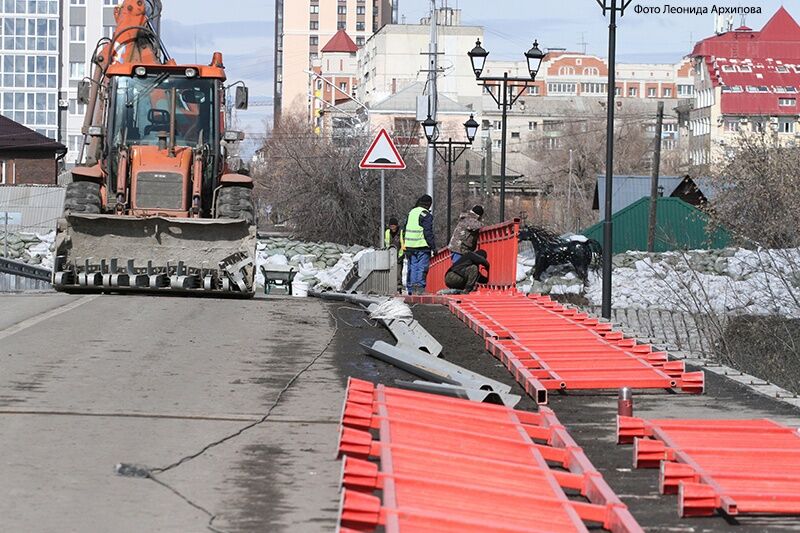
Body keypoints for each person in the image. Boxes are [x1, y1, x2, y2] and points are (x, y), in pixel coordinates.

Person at [404, 194, 436, 295]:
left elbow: (405, 228)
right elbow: (428, 232)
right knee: (422, 267)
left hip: (410, 245)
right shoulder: (425, 215)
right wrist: (433, 247)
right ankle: (420, 289)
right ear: (429, 204)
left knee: (413, 267)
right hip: (421, 245)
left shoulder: (412, 212)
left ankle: (412, 288)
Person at [384, 217, 405, 290]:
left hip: (399, 255)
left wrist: (400, 255)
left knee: (398, 273)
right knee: (389, 272)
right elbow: (386, 244)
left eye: (393, 226)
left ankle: (398, 287)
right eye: (391, 226)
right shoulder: (387, 232)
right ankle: (389, 286)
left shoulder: (401, 232)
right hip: (389, 255)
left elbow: (403, 244)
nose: (392, 227)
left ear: (396, 225)